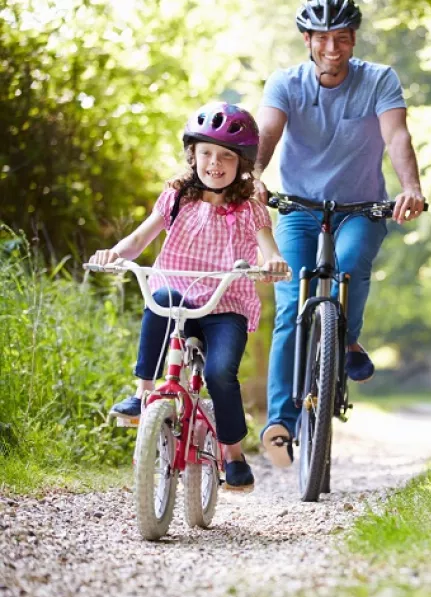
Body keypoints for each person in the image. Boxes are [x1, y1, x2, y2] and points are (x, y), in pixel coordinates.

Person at [254, 0, 426, 467]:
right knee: (291, 304)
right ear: (307, 42)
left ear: (354, 38)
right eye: (323, 38)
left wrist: (410, 187)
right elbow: (267, 133)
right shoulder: (285, 82)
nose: (333, 48)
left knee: (350, 265)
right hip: (298, 209)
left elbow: (397, 137)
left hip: (361, 208)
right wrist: (253, 175)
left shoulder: (378, 79)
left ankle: (345, 338)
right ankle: (280, 424)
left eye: (343, 37)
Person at [90, 102, 290, 492]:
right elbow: (138, 239)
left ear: (242, 163)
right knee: (159, 296)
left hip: (224, 306)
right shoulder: (177, 197)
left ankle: (232, 453)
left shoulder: (249, 208)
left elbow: (269, 249)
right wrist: (113, 254)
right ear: (192, 155)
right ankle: (143, 393)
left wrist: (275, 263)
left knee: (218, 373)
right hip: (179, 298)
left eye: (226, 156)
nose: (215, 163)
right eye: (206, 153)